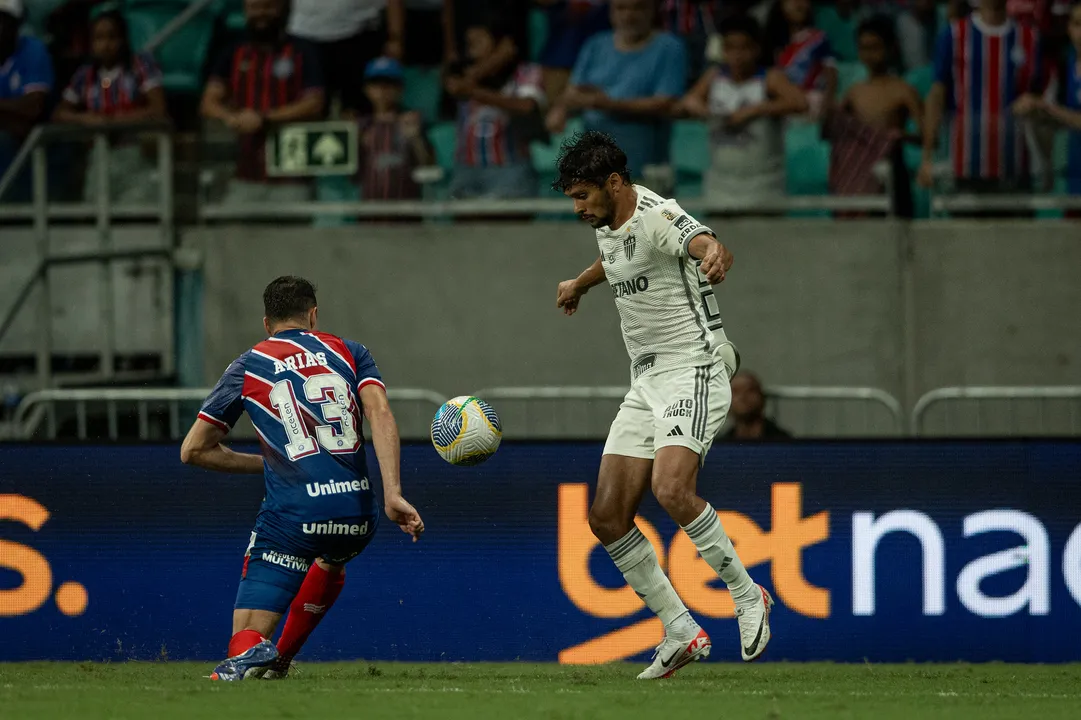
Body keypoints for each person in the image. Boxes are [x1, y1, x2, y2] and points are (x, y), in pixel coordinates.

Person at [552, 130, 773, 679]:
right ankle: (679, 628)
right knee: (606, 517)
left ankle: (748, 596)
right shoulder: (612, 223)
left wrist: (716, 254)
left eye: (583, 196)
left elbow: (700, 240)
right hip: (645, 383)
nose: (578, 209)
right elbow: (617, 257)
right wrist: (580, 283)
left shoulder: (657, 215)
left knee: (671, 489)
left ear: (615, 183)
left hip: (693, 369)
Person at [181, 276, 424, 681]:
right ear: (313, 315)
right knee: (331, 559)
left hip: (295, 514)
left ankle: (253, 653)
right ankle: (280, 662)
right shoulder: (350, 351)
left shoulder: (249, 364)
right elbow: (380, 413)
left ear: (266, 323)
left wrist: (270, 463)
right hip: (356, 513)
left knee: (244, 635)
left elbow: (194, 450)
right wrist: (394, 493)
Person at [201, 0, 325, 205]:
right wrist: (232, 117)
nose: (261, 13)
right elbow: (208, 103)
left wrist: (265, 118)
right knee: (234, 235)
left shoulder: (303, 51)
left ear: (283, 8)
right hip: (243, 174)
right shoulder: (233, 52)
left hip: (293, 176)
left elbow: (314, 103)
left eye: (268, 7)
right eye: (254, 8)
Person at [676, 14, 807, 209]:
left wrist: (755, 110)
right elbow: (687, 102)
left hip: (764, 187)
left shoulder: (770, 78)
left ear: (756, 48)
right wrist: (703, 110)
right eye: (730, 48)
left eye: (744, 47)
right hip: (720, 187)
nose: (737, 55)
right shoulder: (714, 77)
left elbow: (800, 103)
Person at [546, 0, 687, 179]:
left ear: (652, 11)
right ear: (611, 11)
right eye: (621, 8)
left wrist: (605, 103)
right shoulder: (595, 45)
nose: (628, 15)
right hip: (597, 168)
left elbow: (666, 102)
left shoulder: (669, 47)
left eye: (638, 7)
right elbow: (574, 91)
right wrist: (560, 110)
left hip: (646, 167)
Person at [919, 0, 1045, 193]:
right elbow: (937, 95)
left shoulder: (1029, 38)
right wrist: (927, 157)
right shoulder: (954, 35)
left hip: (1014, 165)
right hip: (965, 164)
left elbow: (1038, 100)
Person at [53, 5, 169, 204]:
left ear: (122, 39)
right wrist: (85, 118)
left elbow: (158, 109)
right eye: (99, 38)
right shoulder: (85, 75)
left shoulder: (140, 65)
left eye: (111, 37)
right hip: (99, 156)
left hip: (135, 153)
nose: (105, 45)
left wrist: (114, 120)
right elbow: (59, 113)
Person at [827, 15, 921, 216]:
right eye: (864, 48)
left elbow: (927, 137)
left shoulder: (903, 90)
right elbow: (835, 131)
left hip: (893, 170)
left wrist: (901, 135)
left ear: (890, 48)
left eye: (875, 47)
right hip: (859, 173)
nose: (869, 54)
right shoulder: (854, 92)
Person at [445, 19, 545, 199]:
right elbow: (455, 87)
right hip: (466, 169)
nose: (471, 49)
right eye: (469, 43)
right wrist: (487, 67)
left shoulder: (526, 72)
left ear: (502, 45)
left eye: (479, 41)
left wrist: (476, 91)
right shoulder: (461, 73)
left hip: (510, 168)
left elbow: (526, 106)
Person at [1013, 1, 1081, 202]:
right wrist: (1032, 108)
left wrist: (1046, 107)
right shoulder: (1063, 67)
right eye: (1077, 24)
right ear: (1069, 28)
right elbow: (1059, 119)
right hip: (1072, 176)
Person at [287, 0, 404, 116]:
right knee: (313, 102)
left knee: (359, 107)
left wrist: (395, 37)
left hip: (361, 29)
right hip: (305, 32)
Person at [357, 56, 433, 201]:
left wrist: (415, 139)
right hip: (370, 213)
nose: (382, 90)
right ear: (367, 89)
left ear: (400, 88)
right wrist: (357, 144)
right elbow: (352, 176)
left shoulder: (413, 120)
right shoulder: (361, 126)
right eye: (376, 83)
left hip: (407, 213)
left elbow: (428, 167)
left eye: (389, 84)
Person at [0, 0, 53, 200]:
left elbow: (33, 108)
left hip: (31, 147)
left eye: (3, 21)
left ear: (16, 24)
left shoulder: (33, 49)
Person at [764, 0, 838, 116]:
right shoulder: (773, 43)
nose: (799, 4)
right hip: (784, 106)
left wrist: (826, 108)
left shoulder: (819, 38)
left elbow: (831, 74)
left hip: (812, 103)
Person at [722, 372, 792, 440]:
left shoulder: (784, 442)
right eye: (736, 392)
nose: (742, 397)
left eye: (749, 390)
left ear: (762, 398)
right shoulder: (721, 445)